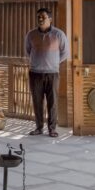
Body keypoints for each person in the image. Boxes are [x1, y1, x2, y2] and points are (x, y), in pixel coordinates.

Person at [25, 8, 69, 138]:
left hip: (52, 74)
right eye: (38, 16)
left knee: (53, 102)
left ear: (50, 19)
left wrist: (53, 63)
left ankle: (52, 129)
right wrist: (38, 63)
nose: (40, 19)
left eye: (43, 16)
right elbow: (28, 51)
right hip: (35, 73)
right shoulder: (31, 35)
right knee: (37, 101)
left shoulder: (59, 34)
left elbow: (65, 53)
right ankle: (39, 128)